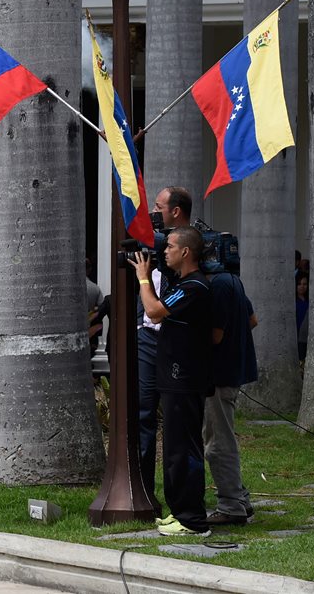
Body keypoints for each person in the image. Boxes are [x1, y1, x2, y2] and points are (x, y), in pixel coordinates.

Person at [130, 226, 214, 536]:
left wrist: (142, 275)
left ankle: (193, 519)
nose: (165, 251)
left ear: (186, 252)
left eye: (171, 246)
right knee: (175, 448)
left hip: (185, 378)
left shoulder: (193, 286)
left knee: (184, 449)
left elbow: (152, 311)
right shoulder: (185, 283)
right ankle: (179, 510)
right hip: (175, 377)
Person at [137, 186, 194, 498]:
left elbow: (160, 309)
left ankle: (181, 496)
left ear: (175, 211)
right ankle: (144, 492)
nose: (153, 213)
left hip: (175, 341)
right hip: (147, 338)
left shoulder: (190, 247)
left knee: (176, 420)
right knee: (143, 414)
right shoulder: (152, 244)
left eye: (158, 207)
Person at [203, 269, 258, 526]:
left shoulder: (218, 286)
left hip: (218, 377)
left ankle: (231, 504)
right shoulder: (233, 280)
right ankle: (239, 498)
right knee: (220, 437)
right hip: (230, 373)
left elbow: (215, 335)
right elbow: (252, 320)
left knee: (218, 441)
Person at [295, 271, 309, 362]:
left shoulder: (311, 301)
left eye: (304, 284)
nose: (302, 286)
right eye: (299, 284)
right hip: (297, 338)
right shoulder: (293, 302)